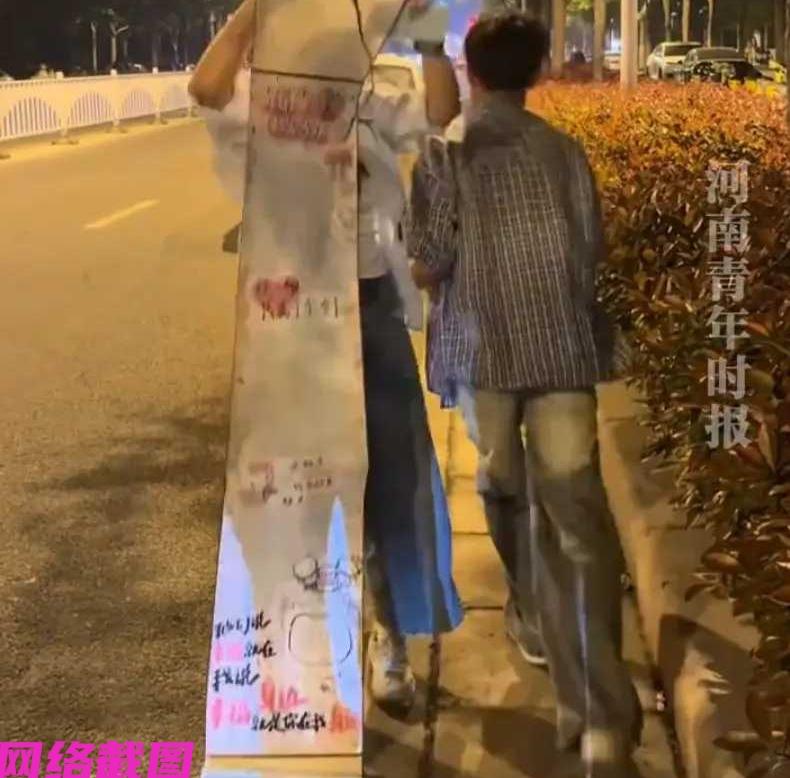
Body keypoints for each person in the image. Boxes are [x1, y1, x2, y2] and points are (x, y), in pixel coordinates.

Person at [189, 0, 464, 716]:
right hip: (290, 318)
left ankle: (389, 641)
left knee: (389, 480)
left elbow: (442, 111)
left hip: (369, 305)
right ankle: (304, 652)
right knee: (296, 490)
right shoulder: (269, 96)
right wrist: (257, 12)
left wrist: (430, 39)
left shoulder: (377, 89)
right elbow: (207, 86)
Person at [409, 12, 642, 778]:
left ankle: (534, 615)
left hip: (484, 358)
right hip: (563, 353)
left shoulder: (444, 155)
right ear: (538, 73)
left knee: (506, 489)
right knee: (577, 523)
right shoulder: (565, 151)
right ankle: (600, 722)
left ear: (471, 73)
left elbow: (428, 261)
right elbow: (590, 250)